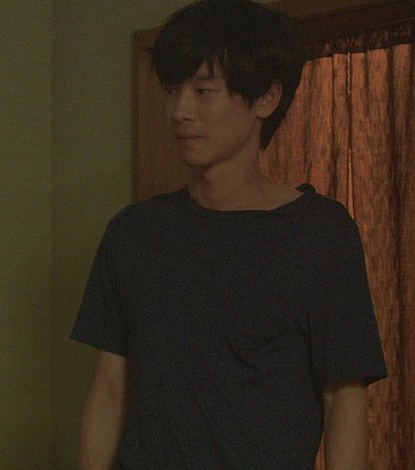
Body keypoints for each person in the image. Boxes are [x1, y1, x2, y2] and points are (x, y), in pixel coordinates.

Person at [71, 1, 387, 468]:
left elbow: (343, 399)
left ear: (266, 98)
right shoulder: (134, 234)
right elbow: (109, 391)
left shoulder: (320, 235)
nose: (180, 111)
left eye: (203, 91)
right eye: (173, 90)